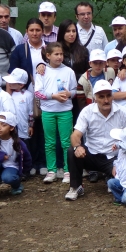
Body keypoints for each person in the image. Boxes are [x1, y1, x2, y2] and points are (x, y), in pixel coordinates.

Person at [66, 80, 126, 201]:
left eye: (108, 95)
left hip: (114, 157)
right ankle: (75, 187)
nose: (106, 100)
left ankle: (111, 178)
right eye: (101, 96)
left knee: (121, 182)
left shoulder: (124, 112)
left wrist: (122, 158)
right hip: (91, 153)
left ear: (112, 96)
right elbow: (75, 135)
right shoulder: (87, 111)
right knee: (72, 151)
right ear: (95, 98)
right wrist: (78, 147)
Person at [35, 42, 77, 185]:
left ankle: (67, 170)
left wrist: (68, 94)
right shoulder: (42, 71)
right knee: (50, 142)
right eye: (56, 54)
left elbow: (75, 91)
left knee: (66, 142)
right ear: (48, 56)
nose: (59, 57)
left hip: (65, 111)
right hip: (48, 111)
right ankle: (51, 170)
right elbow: (38, 92)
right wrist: (53, 96)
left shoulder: (69, 71)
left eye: (61, 54)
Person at [8, 18, 46, 174]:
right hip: (25, 96)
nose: (35, 33)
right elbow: (12, 75)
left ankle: (43, 162)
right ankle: (29, 162)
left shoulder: (49, 49)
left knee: (44, 129)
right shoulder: (19, 50)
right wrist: (9, 98)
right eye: (32, 30)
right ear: (26, 31)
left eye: (38, 30)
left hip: (46, 95)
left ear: (42, 31)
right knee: (28, 129)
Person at [0, 111, 32, 204]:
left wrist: (23, 172)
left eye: (3, 125)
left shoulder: (17, 143)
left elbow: (27, 158)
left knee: (9, 178)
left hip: (10, 166)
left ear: (11, 128)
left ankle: (16, 185)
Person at [58, 19, 90, 122]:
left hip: (79, 91)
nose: (71, 34)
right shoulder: (57, 50)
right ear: (62, 32)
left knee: (79, 120)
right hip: (62, 90)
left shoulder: (83, 51)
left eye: (74, 31)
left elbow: (87, 71)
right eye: (68, 31)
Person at [4, 68, 34, 161]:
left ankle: (27, 166)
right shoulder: (8, 95)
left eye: (12, 82)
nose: (9, 84)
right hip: (12, 127)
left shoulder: (27, 95)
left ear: (21, 85)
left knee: (25, 147)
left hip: (23, 126)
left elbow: (31, 113)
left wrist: (31, 126)